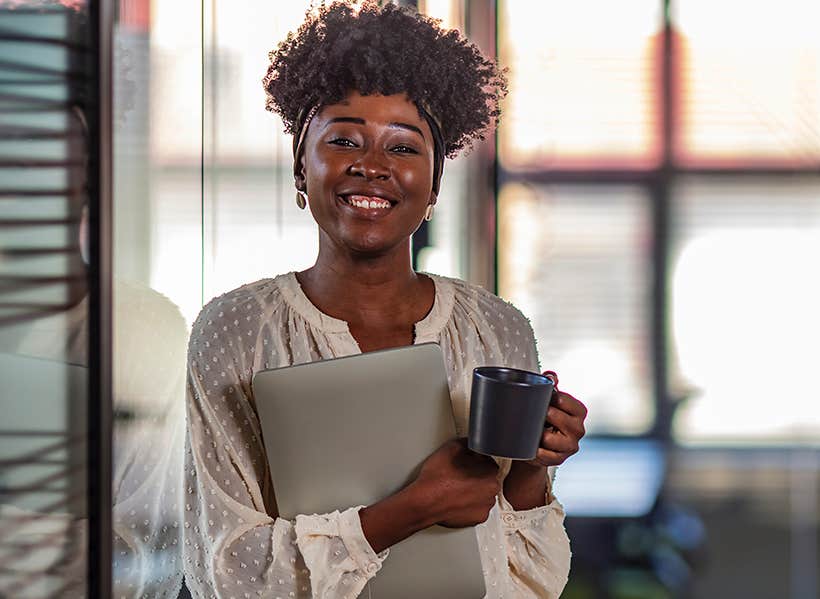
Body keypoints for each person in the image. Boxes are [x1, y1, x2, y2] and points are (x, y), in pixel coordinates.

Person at [180, 3, 586, 598]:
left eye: (403, 148)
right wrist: (414, 507)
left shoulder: (497, 327)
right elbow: (227, 570)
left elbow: (526, 580)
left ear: (435, 183)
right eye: (345, 139)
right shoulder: (237, 329)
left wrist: (532, 469)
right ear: (301, 164)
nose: (372, 167)